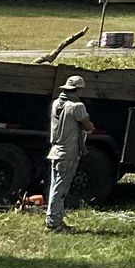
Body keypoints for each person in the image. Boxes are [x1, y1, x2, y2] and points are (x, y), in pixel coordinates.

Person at [45, 74, 94, 231]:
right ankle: (54, 222)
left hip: (55, 150)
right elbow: (87, 126)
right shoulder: (77, 106)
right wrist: (91, 126)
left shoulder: (56, 104)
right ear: (78, 90)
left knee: (55, 186)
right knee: (61, 189)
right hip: (68, 152)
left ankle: (54, 219)